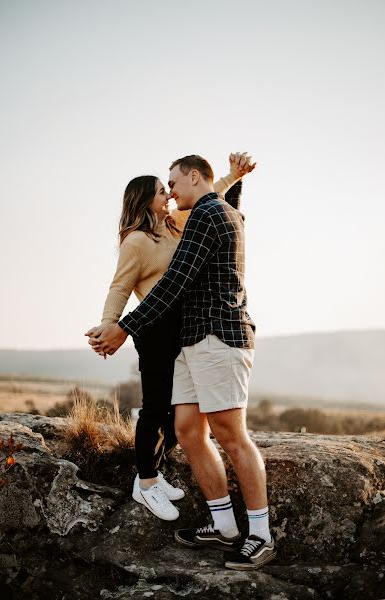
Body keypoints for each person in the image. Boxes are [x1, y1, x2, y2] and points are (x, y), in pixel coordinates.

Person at [88, 154, 276, 571]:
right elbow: (126, 283)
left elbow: (174, 281)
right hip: (191, 341)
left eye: (173, 183)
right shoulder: (199, 214)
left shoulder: (208, 214)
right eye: (163, 188)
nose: (170, 192)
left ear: (194, 177)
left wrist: (123, 327)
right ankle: (224, 525)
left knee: (230, 434)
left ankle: (260, 535)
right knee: (189, 430)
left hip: (218, 337)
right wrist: (112, 323)